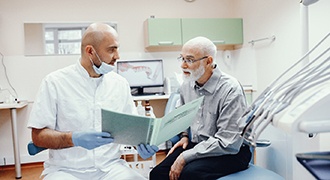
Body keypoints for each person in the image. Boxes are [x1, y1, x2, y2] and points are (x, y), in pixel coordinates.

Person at [27, 22, 158, 180]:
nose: (117, 56)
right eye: (111, 50)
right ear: (90, 51)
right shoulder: (54, 82)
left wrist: (141, 144)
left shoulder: (119, 84)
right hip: (66, 170)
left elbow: (133, 128)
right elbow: (38, 136)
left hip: (111, 168)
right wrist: (73, 138)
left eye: (117, 49)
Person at [149, 36, 252, 180]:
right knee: (157, 174)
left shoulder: (230, 89)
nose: (183, 65)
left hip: (231, 151)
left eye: (189, 60)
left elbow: (228, 142)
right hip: (199, 145)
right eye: (182, 58)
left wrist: (185, 156)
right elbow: (183, 116)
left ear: (208, 61)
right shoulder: (187, 85)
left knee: (189, 174)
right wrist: (184, 136)